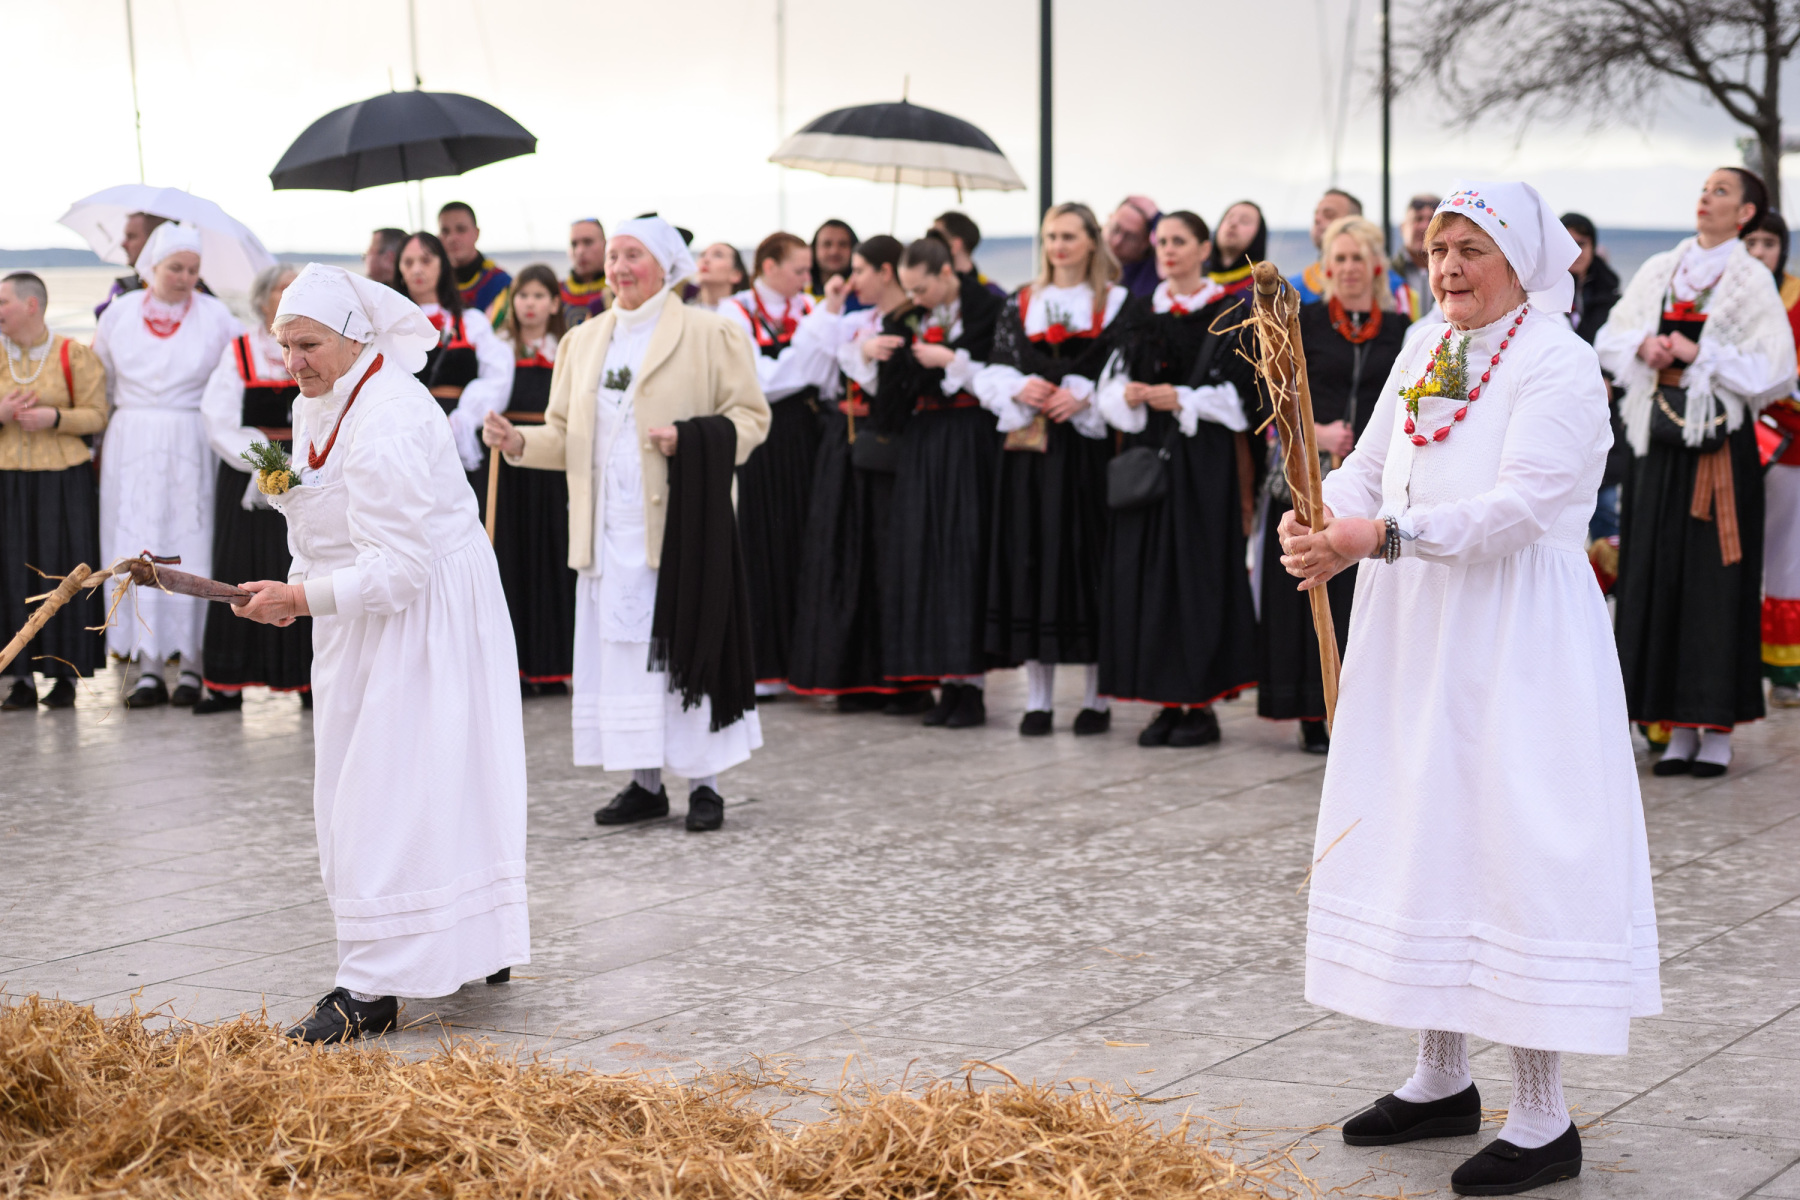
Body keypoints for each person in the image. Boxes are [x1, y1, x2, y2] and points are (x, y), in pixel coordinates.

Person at [1279, 181, 1660, 1197]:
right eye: (1439, 247)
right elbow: (1369, 466)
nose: (1448, 266)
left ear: (1520, 260)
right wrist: (1319, 515)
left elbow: (1522, 507)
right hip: (1418, 626)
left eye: (1471, 249)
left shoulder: (1558, 362)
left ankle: (1543, 1115)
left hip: (1515, 631)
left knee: (1515, 844)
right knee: (1427, 831)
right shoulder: (1427, 345)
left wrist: (1380, 537)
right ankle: (1441, 1077)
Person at [227, 264, 527, 1043]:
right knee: (405, 779)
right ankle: (467, 942)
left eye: (308, 344)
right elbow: (321, 512)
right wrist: (295, 585)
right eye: (284, 344)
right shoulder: (321, 397)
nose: (292, 361)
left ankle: (371, 985)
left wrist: (299, 598)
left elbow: (401, 570)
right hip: (362, 610)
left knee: (387, 789)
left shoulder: (390, 416)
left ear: (355, 338)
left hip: (425, 614)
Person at [484, 217, 769, 833]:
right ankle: (645, 783)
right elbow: (565, 434)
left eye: (632, 255)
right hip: (606, 531)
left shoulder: (710, 332)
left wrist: (691, 439)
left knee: (687, 645)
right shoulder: (582, 341)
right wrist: (519, 442)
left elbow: (751, 418)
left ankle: (705, 785)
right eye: (612, 256)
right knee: (625, 660)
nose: (618, 267)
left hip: (681, 526)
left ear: (665, 265)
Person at [1597, 167, 1795, 777]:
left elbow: (1775, 368)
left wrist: (1698, 353)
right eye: (1705, 189)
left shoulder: (1752, 279)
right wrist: (1645, 347)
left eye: (1721, 192)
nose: (1706, 198)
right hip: (1657, 442)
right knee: (1655, 571)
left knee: (1714, 579)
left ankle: (1714, 729)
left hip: (1719, 451)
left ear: (1746, 214)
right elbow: (1610, 335)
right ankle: (1671, 725)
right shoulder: (1662, 267)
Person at [1095, 210, 1260, 748]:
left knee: (1198, 574)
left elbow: (1248, 398)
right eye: (1161, 241)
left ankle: (1200, 704)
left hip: (1203, 461)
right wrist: (1127, 396)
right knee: (1148, 575)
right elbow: (1108, 383)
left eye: (1178, 241)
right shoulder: (1141, 311)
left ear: (1203, 248)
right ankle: (1166, 702)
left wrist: (1182, 398)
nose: (1167, 250)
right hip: (1149, 455)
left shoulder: (1232, 311)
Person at [974, 202, 1135, 737]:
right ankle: (1037, 700)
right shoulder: (1023, 301)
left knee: (1087, 563)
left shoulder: (1116, 302)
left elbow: (1124, 371)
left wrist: (1086, 398)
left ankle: (1096, 698)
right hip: (1030, 455)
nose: (1058, 246)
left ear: (1092, 241)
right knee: (1031, 559)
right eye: (1050, 236)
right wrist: (1021, 388)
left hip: (1086, 455)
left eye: (1068, 236)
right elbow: (996, 369)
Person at [1256, 216, 1407, 752]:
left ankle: (1360, 707)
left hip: (1372, 483)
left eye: (1356, 258)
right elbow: (1276, 393)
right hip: (1308, 470)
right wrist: (1316, 432)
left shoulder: (1402, 331)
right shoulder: (1309, 323)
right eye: (1337, 259)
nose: (1347, 269)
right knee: (1305, 585)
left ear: (1375, 266)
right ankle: (1308, 707)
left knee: (1357, 596)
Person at [94, 222, 241, 708]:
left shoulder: (217, 316)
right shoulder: (118, 313)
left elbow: (236, 377)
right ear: (152, 267)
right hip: (131, 440)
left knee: (191, 540)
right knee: (135, 540)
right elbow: (102, 380)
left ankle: (194, 663)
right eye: (176, 267)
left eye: (193, 270)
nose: (185, 277)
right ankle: (147, 665)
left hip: (192, 438)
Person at [787, 236, 926, 710]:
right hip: (847, 448)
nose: (853, 279)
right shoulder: (853, 322)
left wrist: (863, 352)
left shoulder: (912, 320)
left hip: (891, 448)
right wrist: (838, 317)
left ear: (886, 271)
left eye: (861, 269)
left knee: (889, 557)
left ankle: (901, 680)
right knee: (849, 556)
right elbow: (811, 365)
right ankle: (854, 676)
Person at [875, 234, 1005, 727]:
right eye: (909, 289)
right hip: (925, 439)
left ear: (946, 273)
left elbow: (1003, 369)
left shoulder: (988, 308)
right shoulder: (908, 318)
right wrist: (877, 351)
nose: (915, 298)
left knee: (965, 550)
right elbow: (891, 391)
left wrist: (951, 361)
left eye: (921, 288)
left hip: (970, 437)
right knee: (927, 551)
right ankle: (945, 680)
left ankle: (972, 685)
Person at [719, 232, 837, 696]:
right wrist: (808, 352)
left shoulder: (808, 307)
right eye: (799, 269)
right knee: (762, 541)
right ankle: (764, 665)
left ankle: (804, 662)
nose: (807, 278)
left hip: (807, 435)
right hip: (762, 441)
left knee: (807, 540)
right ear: (768, 266)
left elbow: (826, 374)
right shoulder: (735, 311)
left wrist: (805, 359)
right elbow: (759, 380)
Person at [192, 263, 311, 714]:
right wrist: (266, 459)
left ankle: (307, 679)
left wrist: (302, 461)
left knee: (302, 568)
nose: (291, 296)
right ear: (262, 301)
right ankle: (227, 681)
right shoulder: (240, 350)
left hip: (307, 473)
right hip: (247, 474)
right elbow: (218, 418)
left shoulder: (318, 349)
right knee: (239, 571)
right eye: (283, 290)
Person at [0, 272, 107, 711]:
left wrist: (55, 418)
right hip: (6, 479)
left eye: (3, 301)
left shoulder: (73, 354)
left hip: (64, 482)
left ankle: (65, 675)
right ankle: (18, 677)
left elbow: (98, 415)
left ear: (31, 305)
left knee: (62, 571)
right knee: (9, 572)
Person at [492, 264, 578, 693]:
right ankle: (517, 668)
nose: (530, 304)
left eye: (539, 295)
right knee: (512, 559)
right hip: (509, 467)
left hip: (550, 464)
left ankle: (554, 664)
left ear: (555, 303)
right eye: (523, 295)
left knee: (554, 555)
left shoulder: (567, 348)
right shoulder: (499, 348)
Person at [394, 231, 514, 500]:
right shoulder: (389, 328)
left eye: (426, 260)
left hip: (456, 427)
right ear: (399, 270)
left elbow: (497, 376)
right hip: (406, 434)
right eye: (408, 262)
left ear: (443, 265)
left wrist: (463, 418)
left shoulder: (471, 321)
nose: (417, 269)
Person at [1738, 210, 1800, 707]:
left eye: (1769, 243)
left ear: (1783, 249)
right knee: (1723, 552)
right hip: (1727, 441)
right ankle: (1727, 661)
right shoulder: (1725, 297)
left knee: (1784, 555)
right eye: (1751, 242)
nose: (1760, 252)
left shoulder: (1798, 298)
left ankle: (1783, 670)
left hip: (1789, 446)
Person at [1561, 213, 1628, 545]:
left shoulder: (1611, 295)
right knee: (1555, 521)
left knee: (1604, 513)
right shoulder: (1537, 291)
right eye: (1567, 242)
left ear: (1593, 247)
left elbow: (1626, 350)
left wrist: (1609, 380)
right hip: (1557, 412)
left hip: (1602, 417)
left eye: (1582, 243)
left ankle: (1606, 576)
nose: (1575, 250)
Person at [438, 201, 513, 325]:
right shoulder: (432, 284)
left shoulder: (500, 284)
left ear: (476, 233)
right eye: (445, 231)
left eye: (461, 229)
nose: (452, 238)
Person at [1289, 189, 1364, 302]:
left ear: (1355, 224)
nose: (1317, 219)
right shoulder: (1293, 289)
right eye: (1316, 215)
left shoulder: (1387, 287)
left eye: (1329, 215)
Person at [93, 211, 165, 319]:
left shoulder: (188, 292)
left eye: (131, 237)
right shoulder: (123, 288)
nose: (123, 244)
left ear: (155, 240)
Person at [931, 211, 1007, 298]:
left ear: (955, 245)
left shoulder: (992, 295)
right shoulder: (928, 294)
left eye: (935, 237)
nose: (929, 244)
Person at [1204, 200, 1268, 296]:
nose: (1233, 224)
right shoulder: (1193, 279)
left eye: (1244, 221)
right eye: (1229, 218)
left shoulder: (1268, 290)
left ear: (1259, 234)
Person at [1390, 194, 1439, 318]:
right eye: (1418, 219)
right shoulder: (1386, 274)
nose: (1425, 227)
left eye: (1432, 220)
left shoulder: (1455, 273)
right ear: (1402, 228)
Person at [1105, 195, 1162, 298]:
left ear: (1146, 241)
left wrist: (1157, 217)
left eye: (1130, 237)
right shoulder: (1086, 253)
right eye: (1115, 229)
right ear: (1109, 219)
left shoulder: (1152, 271)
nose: (1117, 241)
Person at [809, 219, 865, 311]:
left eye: (843, 244)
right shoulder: (796, 293)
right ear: (814, 249)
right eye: (827, 244)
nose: (834, 251)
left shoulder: (865, 297)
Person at [562, 218, 608, 325]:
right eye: (574, 244)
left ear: (605, 245)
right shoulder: (555, 295)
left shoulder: (619, 293)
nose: (580, 251)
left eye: (588, 242)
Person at [690, 241, 747, 308]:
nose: (705, 259)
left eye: (718, 255)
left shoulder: (746, 312)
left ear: (735, 275)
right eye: (702, 255)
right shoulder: (683, 311)